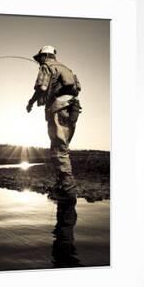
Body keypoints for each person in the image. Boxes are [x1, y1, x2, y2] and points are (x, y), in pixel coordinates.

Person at [26, 46, 82, 199]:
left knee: (58, 150)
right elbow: (77, 88)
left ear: (44, 56)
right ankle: (62, 183)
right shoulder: (67, 69)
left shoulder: (46, 67)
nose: (39, 62)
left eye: (40, 59)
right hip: (73, 109)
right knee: (63, 148)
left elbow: (41, 87)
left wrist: (31, 102)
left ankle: (68, 189)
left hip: (58, 108)